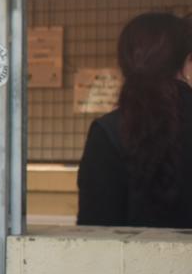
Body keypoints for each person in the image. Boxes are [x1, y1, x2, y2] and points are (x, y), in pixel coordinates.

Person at [77, 12, 192, 227]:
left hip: (129, 260)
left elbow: (95, 227)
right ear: (186, 62)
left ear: (124, 63)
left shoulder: (109, 131)